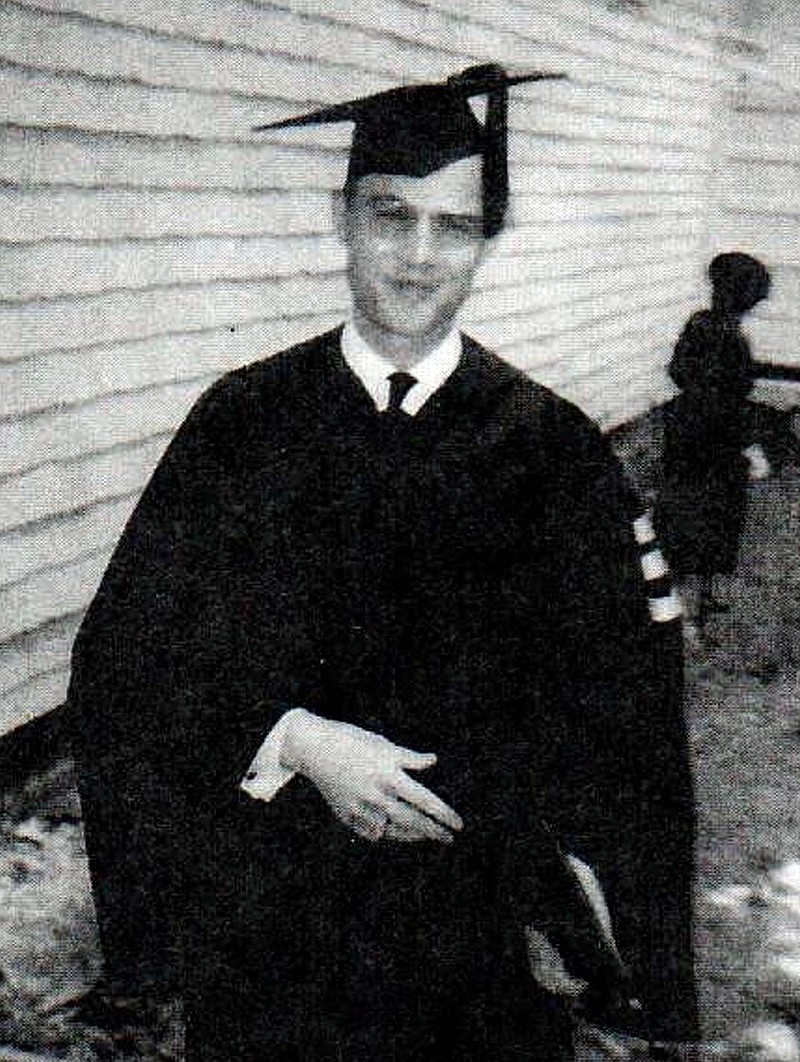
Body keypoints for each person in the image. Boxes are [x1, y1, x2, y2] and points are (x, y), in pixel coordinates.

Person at [69, 64, 698, 1061]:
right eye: (388, 214)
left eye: (453, 225)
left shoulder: (552, 450)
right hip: (271, 937)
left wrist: (642, 964)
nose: (415, 256)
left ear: (488, 239)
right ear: (341, 218)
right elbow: (128, 655)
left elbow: (631, 713)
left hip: (478, 951)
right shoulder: (243, 422)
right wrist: (293, 737)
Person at [656, 252, 771, 635]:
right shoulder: (733, 341)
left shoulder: (698, 324)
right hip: (715, 444)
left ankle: (697, 597)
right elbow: (733, 403)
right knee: (708, 521)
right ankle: (689, 610)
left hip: (685, 433)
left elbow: (677, 371)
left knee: (685, 515)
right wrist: (751, 449)